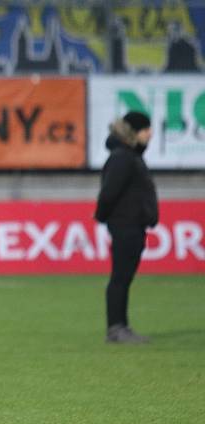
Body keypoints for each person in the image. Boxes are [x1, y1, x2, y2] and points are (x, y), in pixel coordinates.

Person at [95, 111, 158, 343]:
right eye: (146, 129)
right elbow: (109, 192)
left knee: (124, 277)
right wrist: (102, 216)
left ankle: (120, 327)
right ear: (134, 131)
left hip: (132, 223)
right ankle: (116, 328)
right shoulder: (123, 158)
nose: (150, 133)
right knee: (120, 277)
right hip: (126, 224)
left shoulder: (129, 156)